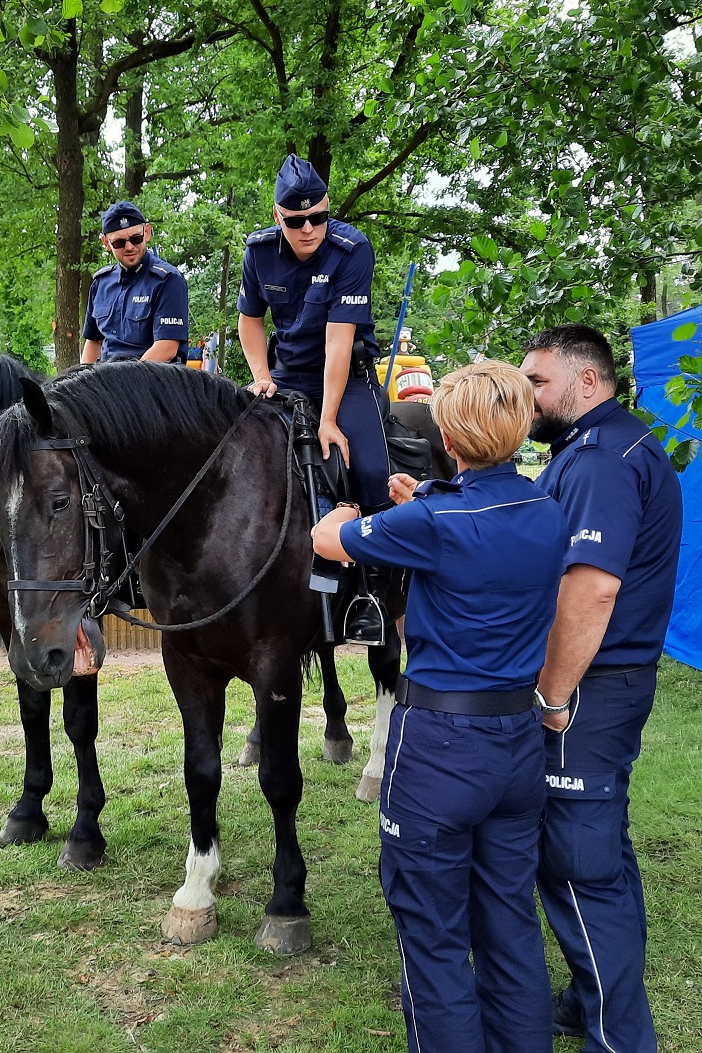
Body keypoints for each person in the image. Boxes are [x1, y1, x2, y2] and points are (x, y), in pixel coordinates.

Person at [312, 361, 567, 1053]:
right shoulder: (545, 509)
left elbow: (331, 542)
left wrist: (340, 513)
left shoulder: (431, 520)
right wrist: (421, 497)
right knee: (509, 921)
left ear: (448, 435)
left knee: (432, 933)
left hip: (440, 750)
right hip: (516, 742)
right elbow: (457, 519)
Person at [520, 325, 684, 1053]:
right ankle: (591, 996)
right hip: (606, 684)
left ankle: (619, 1039)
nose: (529, 395)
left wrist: (553, 696)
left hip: (588, 688)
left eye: (537, 381)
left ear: (587, 382)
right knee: (600, 856)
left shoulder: (599, 462)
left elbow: (590, 591)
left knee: (578, 864)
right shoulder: (598, 451)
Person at [237, 154, 389, 512]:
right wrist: (261, 377)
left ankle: (379, 564)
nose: (308, 229)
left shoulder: (352, 250)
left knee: (368, 468)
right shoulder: (258, 252)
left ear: (328, 207)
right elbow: (249, 319)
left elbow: (339, 342)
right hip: (286, 374)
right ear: (277, 216)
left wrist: (328, 420)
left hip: (347, 377)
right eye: (296, 221)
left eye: (318, 217)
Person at [81, 201, 190, 364]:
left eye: (136, 238)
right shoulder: (100, 283)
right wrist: (84, 383)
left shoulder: (168, 279)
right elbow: (93, 341)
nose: (129, 246)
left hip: (154, 380)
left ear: (147, 232)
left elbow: (166, 347)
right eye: (119, 242)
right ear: (106, 243)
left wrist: (123, 385)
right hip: (105, 381)